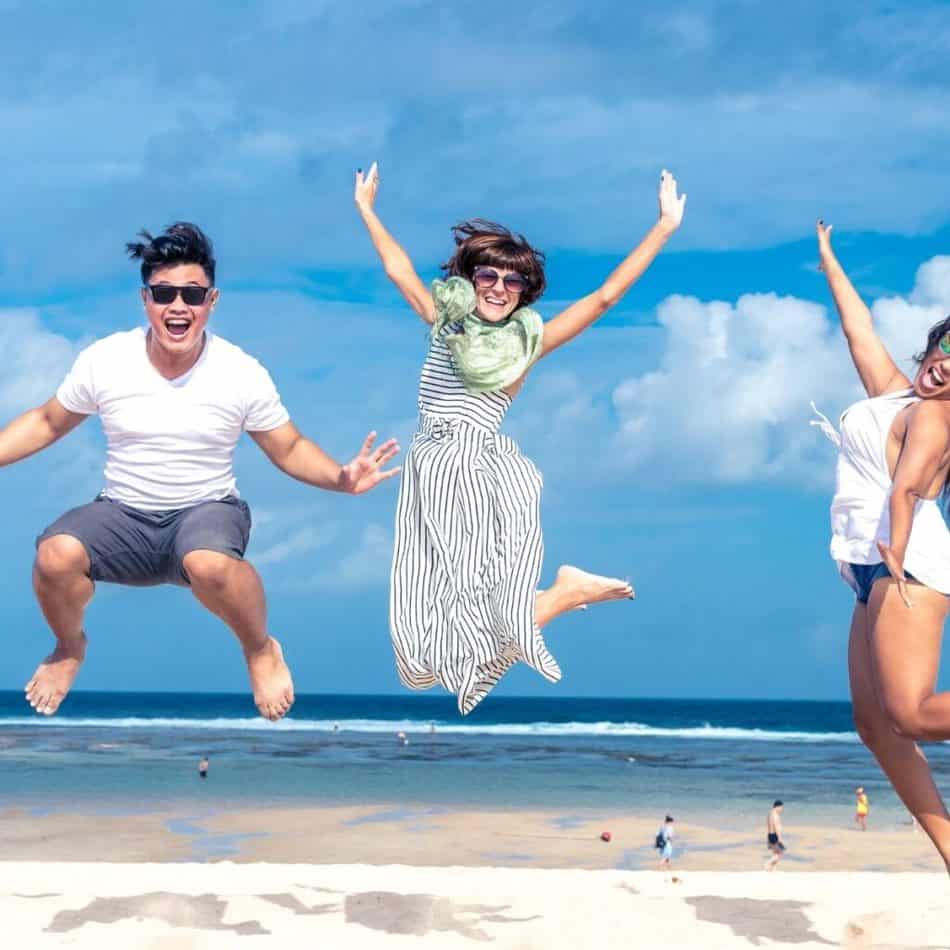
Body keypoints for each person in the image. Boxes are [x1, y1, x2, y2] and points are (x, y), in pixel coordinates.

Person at [18, 223, 399, 722]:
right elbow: (47, 422)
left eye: (192, 295)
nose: (178, 306)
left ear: (211, 301)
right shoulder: (105, 360)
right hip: (122, 516)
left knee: (208, 563)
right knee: (54, 555)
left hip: (206, 512)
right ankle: (69, 647)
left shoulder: (240, 371)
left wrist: (340, 478)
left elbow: (287, 446)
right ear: (146, 299)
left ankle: (260, 649)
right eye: (165, 294)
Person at [354, 162, 685, 713]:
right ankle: (560, 595)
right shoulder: (446, 320)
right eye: (488, 276)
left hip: (477, 467)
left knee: (470, 623)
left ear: (526, 291)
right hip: (430, 467)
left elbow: (603, 298)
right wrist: (367, 209)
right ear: (470, 279)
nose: (500, 289)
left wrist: (663, 229)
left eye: (514, 281)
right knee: (417, 661)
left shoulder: (527, 342)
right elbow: (396, 268)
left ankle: (560, 596)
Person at [815, 221, 950, 873]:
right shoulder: (895, 390)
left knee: (916, 715)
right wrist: (830, 262)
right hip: (865, 566)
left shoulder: (938, 418)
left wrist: (895, 543)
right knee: (876, 727)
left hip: (907, 561)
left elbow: (905, 489)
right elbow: (858, 330)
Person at [765, 800, 786, 871]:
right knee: (780, 852)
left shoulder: (770, 813)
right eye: (781, 808)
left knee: (775, 853)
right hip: (774, 835)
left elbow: (770, 825)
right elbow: (776, 826)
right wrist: (779, 838)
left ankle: (773, 869)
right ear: (778, 806)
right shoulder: (775, 815)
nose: (782, 810)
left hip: (770, 834)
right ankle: (768, 863)